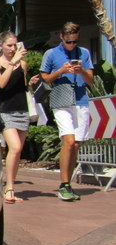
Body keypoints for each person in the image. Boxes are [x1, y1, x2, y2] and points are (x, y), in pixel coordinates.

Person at [40, 22, 94, 201]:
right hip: (61, 100)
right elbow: (45, 78)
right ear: (62, 37)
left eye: (75, 41)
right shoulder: (51, 54)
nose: (72, 45)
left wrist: (82, 71)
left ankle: (67, 184)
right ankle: (63, 184)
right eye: (69, 41)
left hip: (80, 101)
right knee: (69, 141)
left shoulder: (84, 53)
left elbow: (91, 81)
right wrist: (61, 71)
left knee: (76, 145)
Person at [0, 32, 30, 203]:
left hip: (22, 110)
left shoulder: (23, 64)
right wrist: (12, 64)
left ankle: (10, 186)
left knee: (18, 151)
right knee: (15, 147)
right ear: (1, 46)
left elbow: (23, 87)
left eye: (15, 45)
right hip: (6, 111)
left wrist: (31, 82)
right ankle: (9, 188)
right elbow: (1, 84)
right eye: (9, 46)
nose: (13, 49)